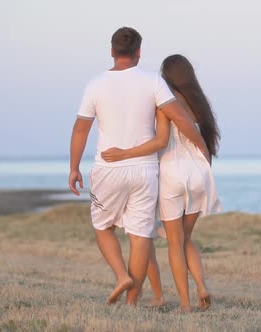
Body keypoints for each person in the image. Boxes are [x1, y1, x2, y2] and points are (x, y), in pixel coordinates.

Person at [68, 27, 209, 306]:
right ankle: (132, 301)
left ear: (112, 51)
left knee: (102, 226)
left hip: (108, 167)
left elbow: (81, 130)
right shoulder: (152, 81)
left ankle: (122, 276)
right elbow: (180, 118)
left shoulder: (95, 84)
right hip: (145, 170)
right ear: (139, 52)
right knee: (140, 234)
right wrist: (201, 148)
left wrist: (74, 168)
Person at [101, 54, 221, 312]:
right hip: (199, 173)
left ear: (167, 77)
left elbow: (164, 140)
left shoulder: (166, 101)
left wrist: (123, 154)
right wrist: (205, 157)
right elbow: (200, 137)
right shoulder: (200, 104)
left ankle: (186, 304)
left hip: (172, 173)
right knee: (187, 237)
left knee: (175, 242)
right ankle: (201, 285)